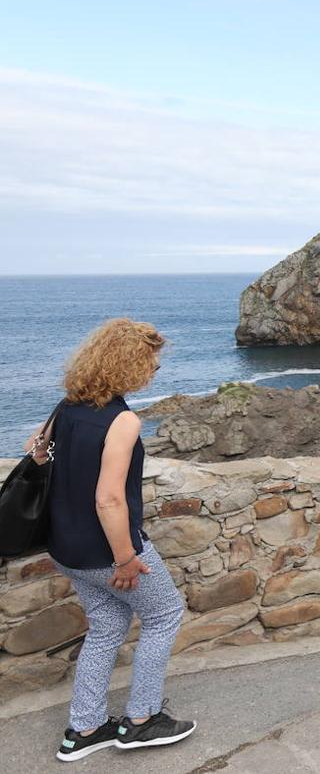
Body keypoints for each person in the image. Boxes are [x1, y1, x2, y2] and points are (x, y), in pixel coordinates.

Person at [23, 319, 196, 762]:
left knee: (106, 627)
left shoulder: (66, 408)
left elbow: (37, 452)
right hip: (107, 551)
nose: (155, 368)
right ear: (127, 364)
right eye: (150, 360)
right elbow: (108, 500)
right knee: (164, 614)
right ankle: (141, 720)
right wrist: (125, 559)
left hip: (66, 548)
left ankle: (84, 729)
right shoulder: (122, 420)